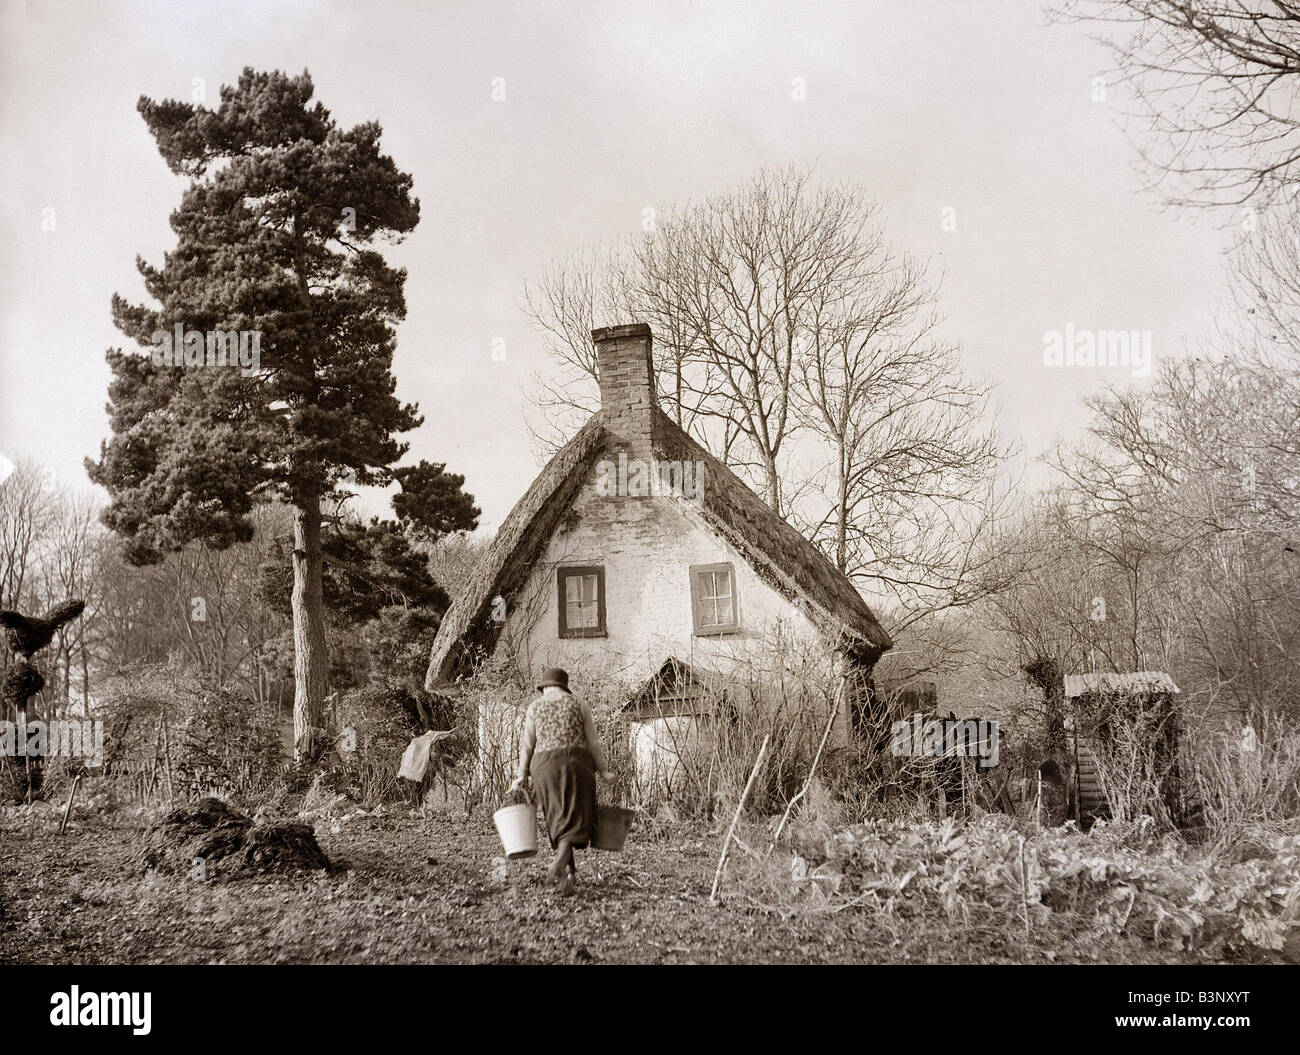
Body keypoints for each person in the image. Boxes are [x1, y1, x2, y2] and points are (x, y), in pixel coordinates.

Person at [507, 667, 615, 894]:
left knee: (556, 814)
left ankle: (568, 873)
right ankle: (566, 867)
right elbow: (593, 742)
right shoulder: (579, 704)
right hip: (578, 762)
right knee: (576, 813)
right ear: (564, 686)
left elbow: (527, 745)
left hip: (545, 765)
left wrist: (521, 775)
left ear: (545, 687)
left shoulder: (535, 707)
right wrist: (604, 770)